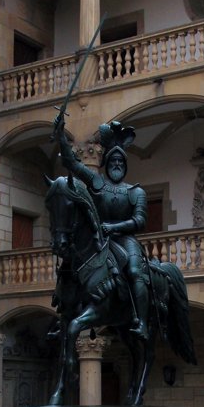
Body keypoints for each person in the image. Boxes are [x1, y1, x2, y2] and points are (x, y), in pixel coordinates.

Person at [53, 116, 150, 340]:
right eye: (113, 160)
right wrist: (60, 135)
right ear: (106, 163)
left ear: (125, 165)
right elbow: (72, 163)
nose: (117, 164)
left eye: (120, 161)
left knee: (135, 271)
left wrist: (113, 227)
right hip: (100, 239)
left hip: (125, 240)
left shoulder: (136, 192)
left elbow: (139, 221)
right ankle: (63, 315)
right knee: (69, 266)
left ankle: (142, 322)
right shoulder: (97, 183)